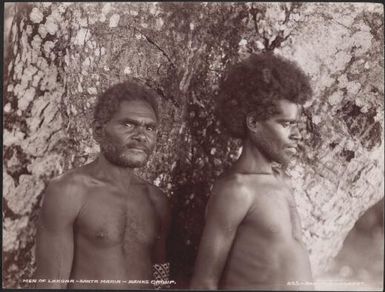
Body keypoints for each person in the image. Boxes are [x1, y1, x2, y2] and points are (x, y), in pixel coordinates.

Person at [190, 53, 314, 290]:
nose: (296, 135)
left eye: (296, 124)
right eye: (285, 124)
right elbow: (204, 281)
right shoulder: (237, 189)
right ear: (254, 123)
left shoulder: (281, 181)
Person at [34, 81, 170, 289]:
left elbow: (161, 274)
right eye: (128, 124)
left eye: (149, 127)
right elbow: (50, 285)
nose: (141, 135)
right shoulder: (70, 192)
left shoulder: (157, 200)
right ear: (98, 131)